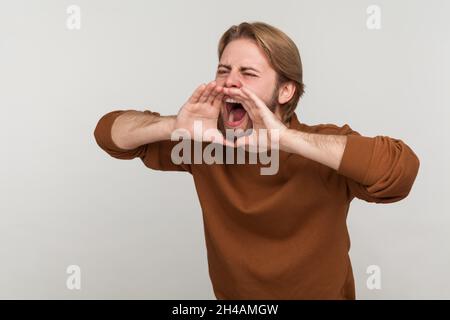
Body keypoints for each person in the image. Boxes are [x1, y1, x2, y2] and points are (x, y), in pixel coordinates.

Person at [93, 21, 420, 299]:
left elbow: (398, 171)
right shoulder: (206, 143)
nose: (229, 81)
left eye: (247, 73)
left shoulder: (320, 146)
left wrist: (285, 139)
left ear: (285, 91)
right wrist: (172, 125)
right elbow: (109, 134)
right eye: (223, 70)